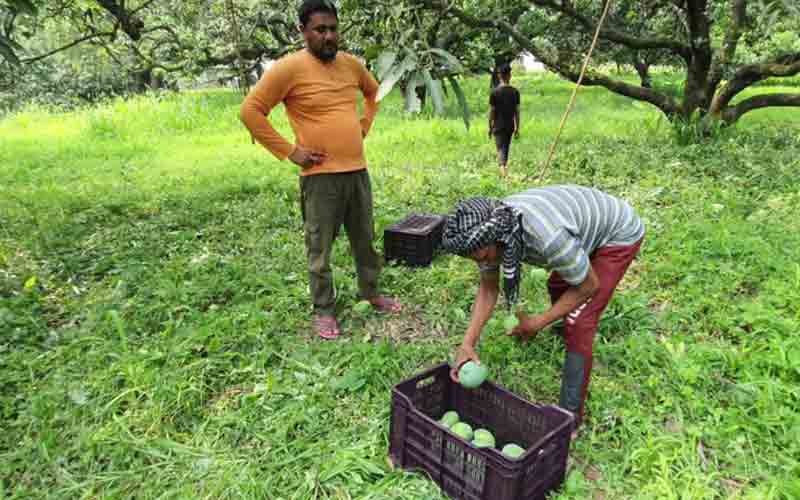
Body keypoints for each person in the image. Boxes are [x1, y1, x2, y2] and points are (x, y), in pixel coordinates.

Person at [239, 0, 401, 340]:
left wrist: (364, 125)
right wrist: (290, 152)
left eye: (333, 29)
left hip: (357, 171)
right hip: (320, 178)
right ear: (303, 31)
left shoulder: (351, 64)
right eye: (320, 30)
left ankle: (371, 292)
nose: (329, 36)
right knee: (320, 249)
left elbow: (374, 92)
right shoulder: (287, 69)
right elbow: (251, 111)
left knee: (364, 240)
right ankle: (324, 310)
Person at [441, 185, 645, 427]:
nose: (483, 262)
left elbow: (589, 286)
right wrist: (467, 343)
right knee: (559, 286)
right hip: (579, 231)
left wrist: (538, 322)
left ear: (498, 238)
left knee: (579, 321)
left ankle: (569, 419)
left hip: (617, 233)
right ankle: (565, 334)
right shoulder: (493, 233)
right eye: (477, 259)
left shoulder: (548, 238)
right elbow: (488, 288)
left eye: (484, 257)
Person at [488, 64, 520, 176]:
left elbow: (492, 111)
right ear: (509, 75)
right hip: (510, 126)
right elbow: (517, 112)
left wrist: (490, 126)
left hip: (498, 126)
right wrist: (517, 127)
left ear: (499, 76)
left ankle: (503, 173)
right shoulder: (515, 92)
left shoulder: (494, 92)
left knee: (500, 149)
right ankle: (504, 170)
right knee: (505, 147)